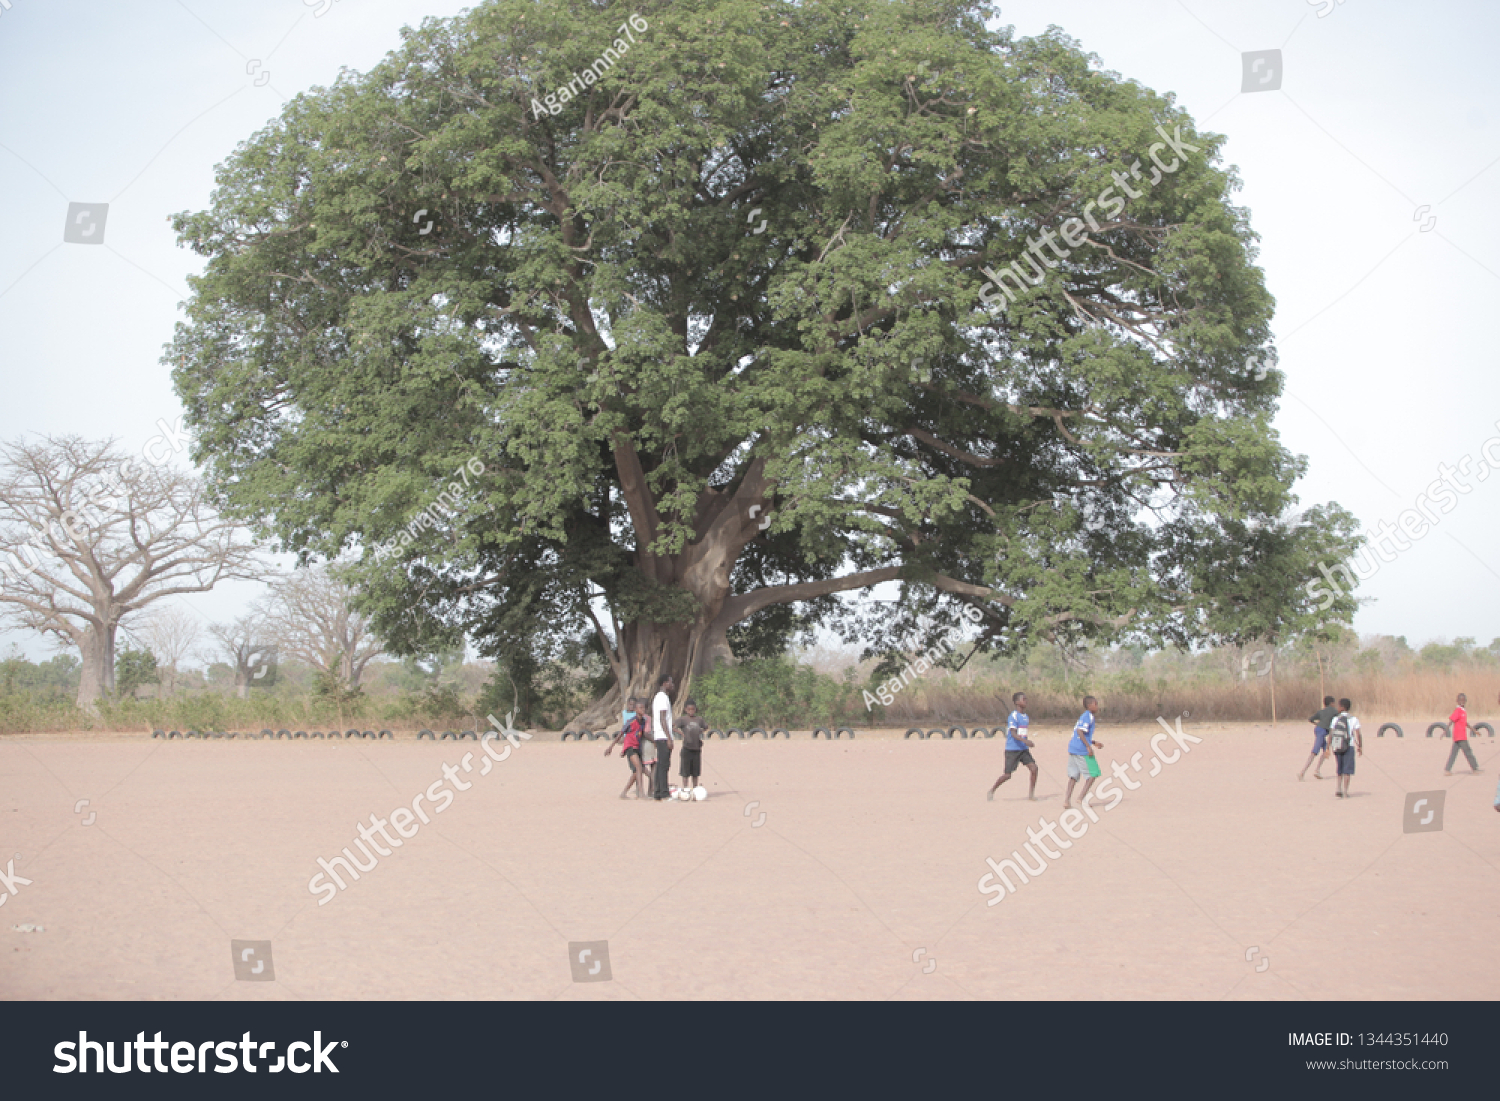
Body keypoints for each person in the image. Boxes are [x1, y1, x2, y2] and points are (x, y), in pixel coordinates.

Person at [988, 691, 1038, 801]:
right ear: (1017, 702)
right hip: (1012, 749)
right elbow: (1013, 734)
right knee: (1007, 775)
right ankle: (992, 790)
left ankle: (1031, 794)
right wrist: (1026, 741)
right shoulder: (1013, 716)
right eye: (1023, 699)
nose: (1026, 701)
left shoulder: (1025, 717)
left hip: (1023, 750)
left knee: (1034, 768)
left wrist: (1025, 743)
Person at [605, 696, 649, 800]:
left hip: (637, 748)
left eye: (644, 708)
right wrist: (611, 747)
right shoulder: (631, 721)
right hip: (630, 748)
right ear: (635, 710)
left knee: (636, 772)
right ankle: (641, 793)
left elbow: (641, 735)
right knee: (639, 767)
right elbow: (621, 733)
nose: (643, 710)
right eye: (640, 708)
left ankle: (623, 793)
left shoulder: (643, 721)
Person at [1063, 695, 1102, 811]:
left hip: (1073, 748)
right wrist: (1088, 747)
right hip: (1081, 750)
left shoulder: (1084, 716)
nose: (1097, 706)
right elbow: (1080, 731)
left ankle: (1066, 801)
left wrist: (1093, 742)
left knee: (1073, 776)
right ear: (1090, 705)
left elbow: (1081, 733)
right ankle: (1081, 798)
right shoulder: (1088, 716)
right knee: (1094, 773)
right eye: (1096, 704)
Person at [1328, 697, 1362, 798]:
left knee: (1339, 768)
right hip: (1349, 746)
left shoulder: (1335, 719)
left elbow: (1331, 734)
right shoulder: (1353, 719)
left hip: (1337, 745)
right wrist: (1360, 746)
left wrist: (1327, 747)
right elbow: (1358, 734)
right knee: (1347, 770)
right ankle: (1346, 791)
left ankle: (1338, 788)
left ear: (1342, 707)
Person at [1299, 696, 1338, 781]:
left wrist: (1317, 724)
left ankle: (1317, 770)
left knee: (1325, 751)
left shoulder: (1321, 711)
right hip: (1322, 732)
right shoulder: (1334, 711)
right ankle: (1302, 772)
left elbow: (1310, 719)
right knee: (1315, 752)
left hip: (1318, 730)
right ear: (1332, 703)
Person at [1444, 692, 1482, 775]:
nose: (1462, 702)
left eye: (1464, 700)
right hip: (1460, 736)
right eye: (1460, 700)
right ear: (1457, 701)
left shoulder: (1463, 711)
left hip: (1458, 736)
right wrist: (1445, 730)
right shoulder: (1458, 710)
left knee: (1453, 753)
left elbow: (1465, 723)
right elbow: (1452, 720)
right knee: (1468, 752)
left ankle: (1447, 770)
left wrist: (1474, 730)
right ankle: (1475, 769)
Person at [651, 674, 676, 801]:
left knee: (661, 764)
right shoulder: (662, 698)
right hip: (663, 736)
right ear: (664, 683)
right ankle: (664, 793)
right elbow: (662, 719)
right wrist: (669, 738)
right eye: (670, 682)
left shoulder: (661, 697)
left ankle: (658, 792)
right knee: (664, 765)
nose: (672, 685)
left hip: (661, 735)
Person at [679, 699, 706, 796]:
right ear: (686, 710)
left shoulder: (699, 720)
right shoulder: (683, 720)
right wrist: (681, 733)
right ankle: (686, 789)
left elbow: (706, 727)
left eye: (693, 709)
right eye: (689, 709)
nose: (691, 711)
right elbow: (673, 726)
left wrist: (700, 732)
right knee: (685, 771)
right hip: (686, 748)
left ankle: (695, 788)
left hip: (697, 749)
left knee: (695, 772)